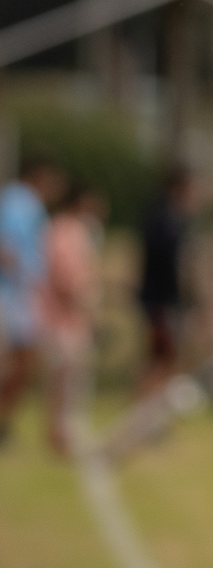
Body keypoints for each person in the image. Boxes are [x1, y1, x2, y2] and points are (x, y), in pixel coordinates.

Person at [0, 158, 68, 448]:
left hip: (21, 296)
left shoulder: (31, 205)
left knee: (25, 364)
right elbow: (6, 247)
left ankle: (4, 422)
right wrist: (28, 278)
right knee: (19, 362)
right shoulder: (18, 202)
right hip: (12, 295)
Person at [39, 184, 107, 456]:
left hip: (66, 318)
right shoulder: (68, 232)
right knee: (65, 380)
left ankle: (61, 433)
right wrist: (88, 311)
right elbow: (67, 279)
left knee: (66, 380)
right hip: (63, 319)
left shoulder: (67, 230)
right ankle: (60, 436)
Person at [135, 166, 196, 397]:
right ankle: (143, 413)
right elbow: (169, 268)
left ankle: (154, 416)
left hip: (163, 301)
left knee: (165, 360)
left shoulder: (170, 219)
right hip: (160, 302)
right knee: (160, 359)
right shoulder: (165, 221)